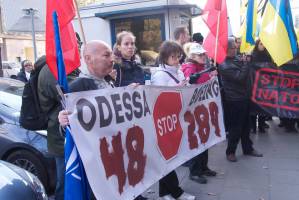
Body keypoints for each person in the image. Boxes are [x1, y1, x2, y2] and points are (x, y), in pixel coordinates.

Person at [151, 41, 195, 200]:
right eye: (173, 57)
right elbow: (158, 99)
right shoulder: (159, 75)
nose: (177, 60)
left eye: (178, 57)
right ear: (164, 57)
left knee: (171, 158)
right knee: (167, 158)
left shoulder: (179, 71)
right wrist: (178, 86)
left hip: (177, 119)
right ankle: (176, 191)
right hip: (164, 122)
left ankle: (164, 193)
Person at [113, 31, 148, 200]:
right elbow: (109, 92)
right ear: (118, 46)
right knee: (126, 158)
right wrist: (126, 90)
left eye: (132, 44)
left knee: (136, 156)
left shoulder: (137, 66)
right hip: (122, 119)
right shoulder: (114, 67)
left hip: (137, 117)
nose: (130, 47)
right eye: (126, 44)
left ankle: (136, 192)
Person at [219, 37, 263, 162]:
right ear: (227, 49)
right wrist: (245, 63)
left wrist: (249, 57)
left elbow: (248, 65)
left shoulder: (237, 58)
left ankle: (248, 148)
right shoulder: (224, 65)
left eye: (235, 46)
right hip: (235, 100)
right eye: (233, 47)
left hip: (245, 97)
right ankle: (230, 151)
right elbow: (240, 78)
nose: (236, 48)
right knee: (236, 127)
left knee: (246, 125)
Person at [181, 42, 217, 184]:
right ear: (192, 56)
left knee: (204, 139)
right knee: (196, 141)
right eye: (200, 54)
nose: (203, 56)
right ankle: (195, 171)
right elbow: (192, 83)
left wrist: (211, 75)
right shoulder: (189, 67)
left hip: (202, 109)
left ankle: (203, 167)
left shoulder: (202, 67)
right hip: (193, 111)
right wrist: (209, 76)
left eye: (203, 54)